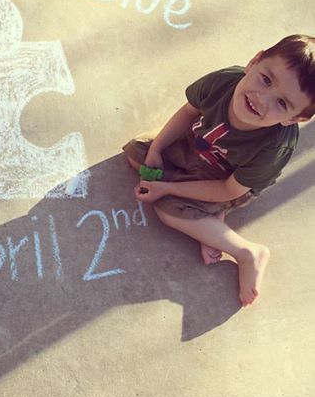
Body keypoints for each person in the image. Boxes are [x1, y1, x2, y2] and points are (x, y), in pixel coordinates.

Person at [123, 35, 315, 307]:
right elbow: (188, 113)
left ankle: (246, 252)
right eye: (266, 79)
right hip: (196, 145)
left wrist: (166, 187)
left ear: (294, 118)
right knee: (137, 151)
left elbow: (228, 189)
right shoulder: (224, 81)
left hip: (226, 180)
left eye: (282, 103)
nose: (262, 99)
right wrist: (156, 150)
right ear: (254, 61)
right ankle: (209, 219)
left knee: (167, 209)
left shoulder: (273, 147)